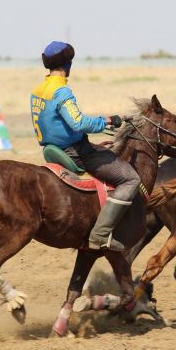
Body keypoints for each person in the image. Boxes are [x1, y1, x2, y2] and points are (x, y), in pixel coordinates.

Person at [30, 41, 141, 251]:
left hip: (54, 149)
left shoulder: (37, 90)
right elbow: (78, 122)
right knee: (131, 179)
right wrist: (107, 120)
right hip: (75, 152)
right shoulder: (61, 91)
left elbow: (56, 124)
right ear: (68, 64)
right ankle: (100, 235)